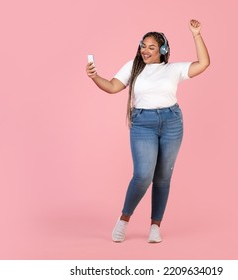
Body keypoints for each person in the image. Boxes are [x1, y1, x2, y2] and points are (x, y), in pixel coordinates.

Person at [85, 19, 210, 243]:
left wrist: (196, 34)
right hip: (143, 123)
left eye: (151, 47)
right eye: (143, 45)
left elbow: (203, 63)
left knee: (163, 177)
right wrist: (94, 76)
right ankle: (124, 219)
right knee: (143, 175)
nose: (145, 50)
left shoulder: (173, 69)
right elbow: (113, 87)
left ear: (163, 51)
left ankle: (155, 226)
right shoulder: (133, 67)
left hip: (172, 122)